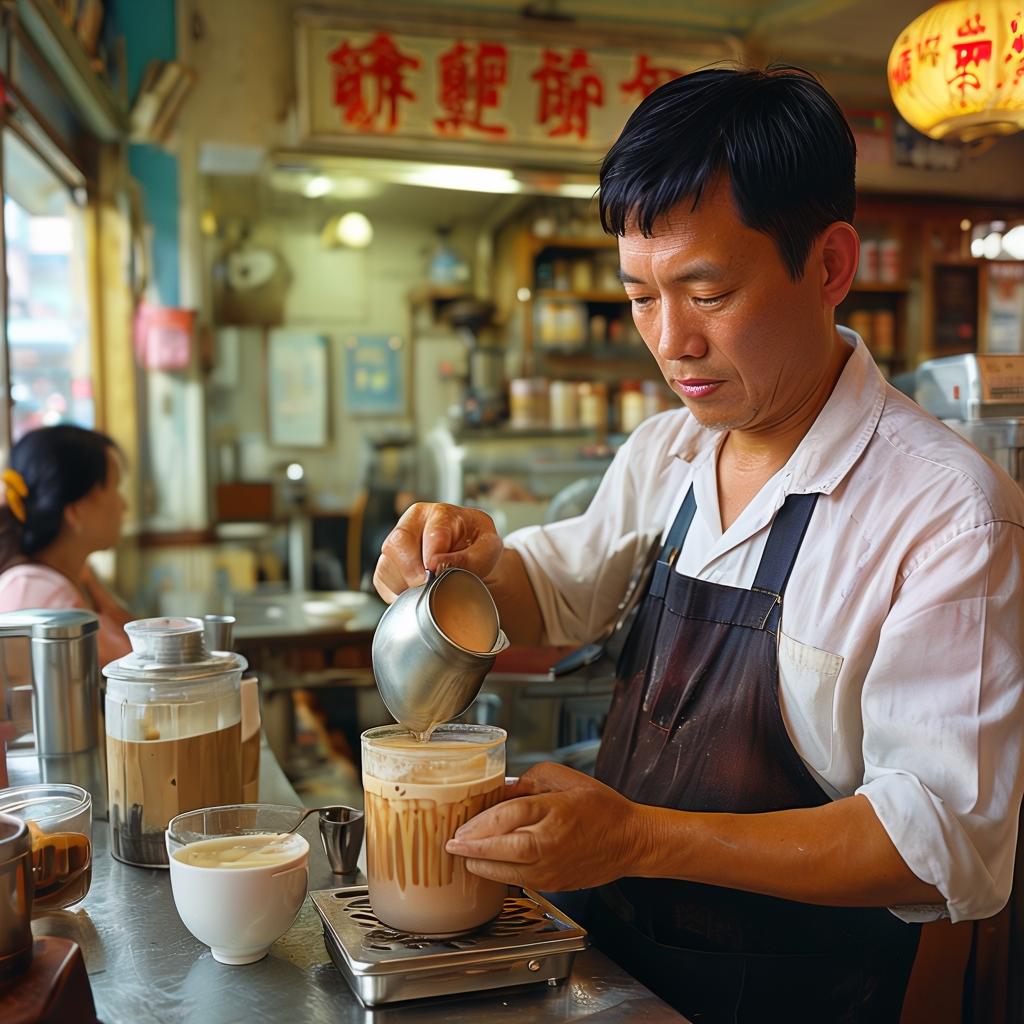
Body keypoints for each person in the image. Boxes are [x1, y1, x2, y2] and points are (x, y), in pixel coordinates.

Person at [373, 65, 1024, 1022]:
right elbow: (556, 589)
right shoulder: (667, 450)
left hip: (804, 998)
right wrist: (460, 569)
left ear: (830, 267)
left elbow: (939, 841)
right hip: (620, 977)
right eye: (641, 297)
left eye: (707, 293)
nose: (670, 342)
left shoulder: (946, 514)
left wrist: (639, 838)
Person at [0, 425, 132, 665]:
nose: (124, 505)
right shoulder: (37, 593)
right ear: (75, 510)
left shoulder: (79, 578)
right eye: (114, 488)